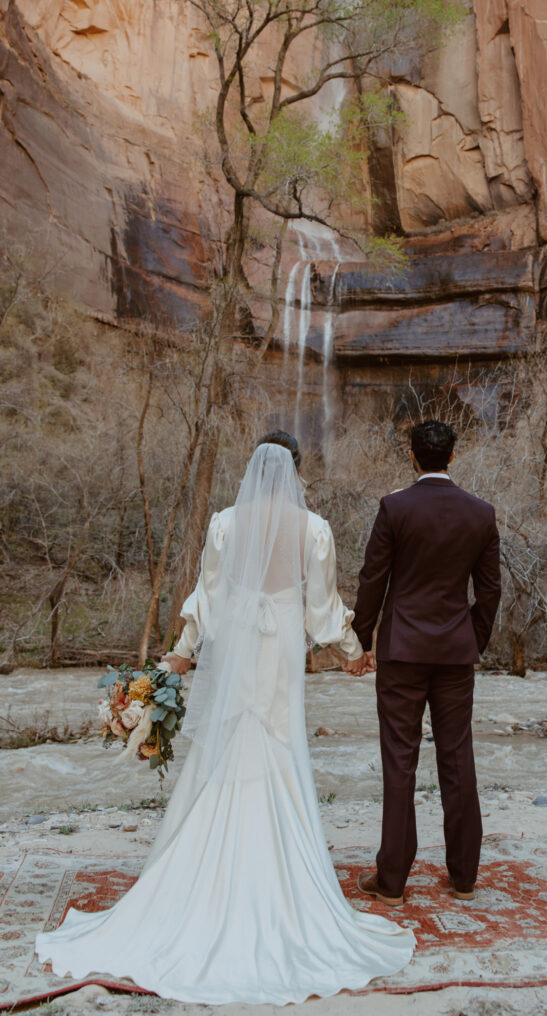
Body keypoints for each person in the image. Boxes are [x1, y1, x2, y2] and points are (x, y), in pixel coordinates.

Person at [36, 432, 415, 1006]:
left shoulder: (224, 522)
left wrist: (184, 649)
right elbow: (321, 608)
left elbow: (207, 596)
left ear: (253, 470)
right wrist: (351, 650)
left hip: (238, 638)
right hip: (282, 644)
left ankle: (200, 878)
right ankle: (282, 881)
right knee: (279, 740)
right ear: (295, 471)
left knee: (233, 737)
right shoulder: (311, 527)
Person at [350, 419, 501, 907]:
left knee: (400, 761)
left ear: (412, 457)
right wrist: (470, 639)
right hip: (455, 651)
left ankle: (391, 881)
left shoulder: (395, 507)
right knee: (457, 758)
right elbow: (490, 589)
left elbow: (373, 577)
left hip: (401, 650)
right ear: (452, 457)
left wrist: (362, 637)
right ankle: (463, 877)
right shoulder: (481, 513)